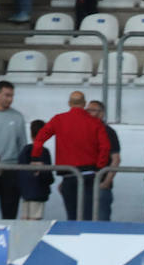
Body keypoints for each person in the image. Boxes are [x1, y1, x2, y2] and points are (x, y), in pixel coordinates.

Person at [31, 91, 111, 221]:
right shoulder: (95, 123)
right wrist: (99, 167)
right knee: (88, 216)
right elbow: (105, 148)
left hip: (68, 175)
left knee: (72, 217)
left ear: (69, 103)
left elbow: (40, 138)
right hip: (89, 174)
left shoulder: (58, 119)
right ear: (84, 104)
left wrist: (35, 157)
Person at [0, 82, 27, 220]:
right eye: (7, 95)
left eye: (12, 96)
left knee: (10, 214)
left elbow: (22, 146)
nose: (10, 99)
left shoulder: (17, 117)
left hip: (11, 170)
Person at [86, 100, 121, 221]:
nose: (89, 113)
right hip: (82, 185)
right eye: (88, 110)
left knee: (100, 223)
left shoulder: (109, 132)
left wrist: (107, 181)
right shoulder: (82, 130)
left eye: (93, 110)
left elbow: (115, 159)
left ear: (101, 113)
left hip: (100, 185)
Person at [17, 120, 53, 219]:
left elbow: (20, 171)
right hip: (39, 191)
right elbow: (48, 175)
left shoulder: (25, 150)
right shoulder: (44, 152)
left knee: (25, 218)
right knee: (35, 219)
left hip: (26, 192)